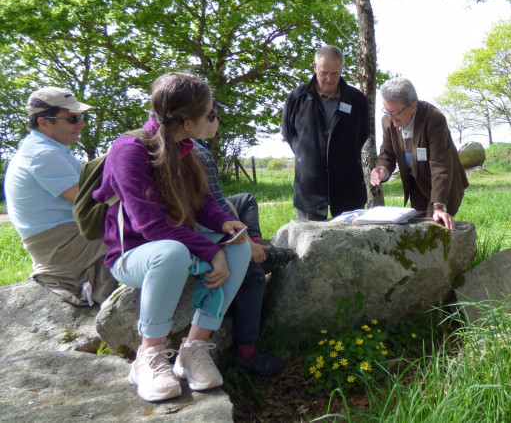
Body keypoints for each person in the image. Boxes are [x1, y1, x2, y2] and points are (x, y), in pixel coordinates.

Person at [93, 72, 250, 402]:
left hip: (175, 247)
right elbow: (151, 227)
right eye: (210, 113)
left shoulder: (184, 147)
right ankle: (149, 355)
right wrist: (209, 251)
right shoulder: (129, 150)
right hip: (132, 256)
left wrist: (224, 224)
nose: (215, 118)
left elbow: (203, 202)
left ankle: (192, 348)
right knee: (172, 252)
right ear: (187, 121)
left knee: (238, 248)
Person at [193, 99, 293, 377]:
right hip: (196, 230)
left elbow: (213, 202)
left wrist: (247, 237)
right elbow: (212, 207)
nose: (218, 119)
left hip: (199, 220)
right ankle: (246, 355)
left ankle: (261, 246)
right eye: (214, 114)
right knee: (252, 275)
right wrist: (245, 243)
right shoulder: (197, 152)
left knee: (245, 199)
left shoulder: (194, 147)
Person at [4, 87, 117, 306]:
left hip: (67, 236)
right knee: (146, 233)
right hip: (61, 243)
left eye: (81, 117)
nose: (81, 124)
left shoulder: (49, 149)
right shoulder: (43, 154)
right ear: (43, 122)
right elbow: (91, 202)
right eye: (73, 118)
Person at [281, 45, 370, 220]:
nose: (329, 79)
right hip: (309, 191)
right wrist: (312, 156)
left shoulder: (356, 99)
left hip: (348, 191)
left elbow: (363, 134)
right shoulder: (297, 98)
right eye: (323, 73)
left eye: (334, 74)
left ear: (341, 70)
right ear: (315, 67)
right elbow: (290, 135)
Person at [370, 78, 468, 231]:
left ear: (413, 106)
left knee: (434, 228)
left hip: (442, 186)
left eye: (394, 112)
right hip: (417, 187)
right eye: (386, 112)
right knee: (418, 232)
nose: (390, 118)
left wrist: (439, 206)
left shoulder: (434, 119)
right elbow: (387, 154)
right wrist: (382, 168)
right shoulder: (388, 121)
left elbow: (440, 165)